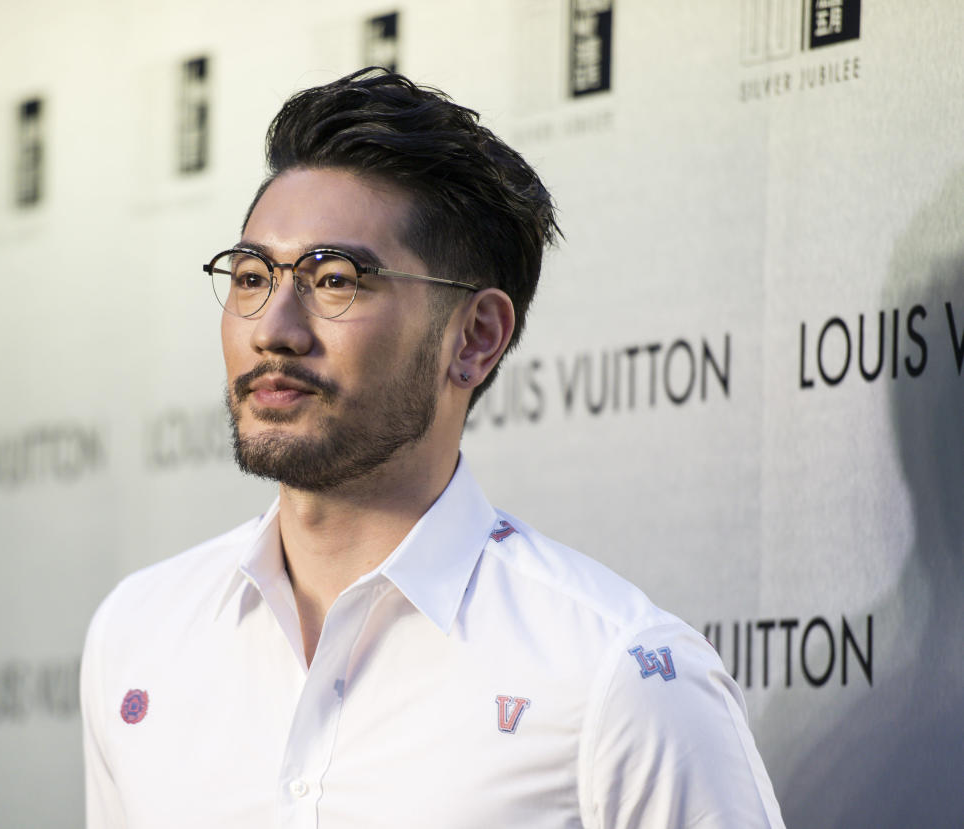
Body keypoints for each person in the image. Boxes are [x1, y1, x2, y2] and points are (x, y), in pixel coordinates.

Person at [81, 68, 785, 828]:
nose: (272, 327)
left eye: (335, 278)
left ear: (475, 338)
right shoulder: (139, 632)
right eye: (252, 276)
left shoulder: (621, 675)